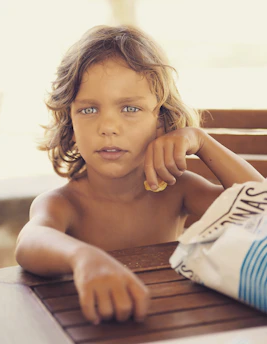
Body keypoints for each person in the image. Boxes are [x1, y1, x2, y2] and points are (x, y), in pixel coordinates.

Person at [15, 25, 264, 325]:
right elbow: (30, 241)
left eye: (130, 108)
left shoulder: (178, 190)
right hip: (88, 325)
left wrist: (201, 140)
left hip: (167, 321)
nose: (108, 126)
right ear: (70, 123)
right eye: (89, 110)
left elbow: (259, 209)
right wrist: (83, 258)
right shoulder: (63, 203)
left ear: (160, 122)